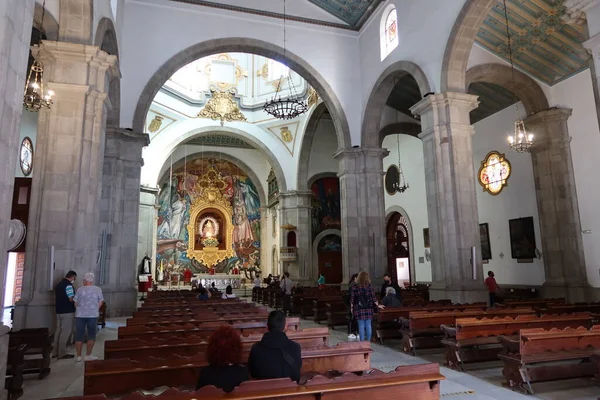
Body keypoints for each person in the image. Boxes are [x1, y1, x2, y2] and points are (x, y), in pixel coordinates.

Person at [248, 310, 301, 382]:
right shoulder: (296, 347)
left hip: (263, 391)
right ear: (286, 326)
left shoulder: (256, 348)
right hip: (289, 390)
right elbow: (297, 374)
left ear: (267, 326)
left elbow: (252, 373)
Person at [196, 325, 249, 392]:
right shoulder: (242, 372)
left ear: (212, 349)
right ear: (236, 348)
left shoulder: (205, 374)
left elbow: (198, 396)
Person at [73, 272, 104, 362]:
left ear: (84, 280)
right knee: (91, 335)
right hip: (92, 315)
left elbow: (75, 302)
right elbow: (100, 301)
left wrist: (80, 309)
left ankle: (78, 356)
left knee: (79, 335)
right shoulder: (97, 289)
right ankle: (88, 355)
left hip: (80, 315)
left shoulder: (80, 290)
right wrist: (94, 309)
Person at [350, 271, 383, 342]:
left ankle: (362, 342)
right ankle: (368, 341)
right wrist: (378, 305)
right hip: (368, 307)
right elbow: (374, 297)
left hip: (358, 307)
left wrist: (351, 308)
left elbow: (352, 299)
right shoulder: (369, 286)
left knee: (361, 325)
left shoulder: (355, 286)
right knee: (368, 325)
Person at [53, 270, 77, 359]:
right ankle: (62, 353)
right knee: (65, 332)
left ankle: (55, 352)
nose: (74, 280)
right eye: (74, 278)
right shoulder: (68, 285)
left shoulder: (59, 285)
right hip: (67, 311)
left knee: (58, 331)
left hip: (58, 311)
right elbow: (71, 298)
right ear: (72, 277)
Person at [345, 273, 359, 340]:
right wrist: (351, 305)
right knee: (351, 318)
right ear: (355, 278)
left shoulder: (356, 285)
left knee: (354, 318)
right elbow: (351, 296)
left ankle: (354, 332)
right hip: (351, 304)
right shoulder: (352, 285)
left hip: (353, 304)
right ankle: (350, 332)